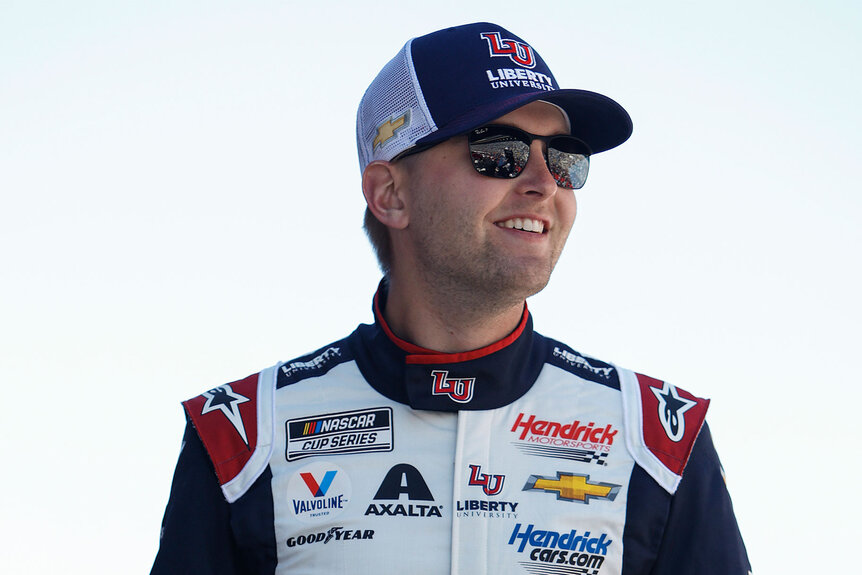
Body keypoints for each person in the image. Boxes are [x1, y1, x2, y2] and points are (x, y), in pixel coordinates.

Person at [151, 22, 751, 574]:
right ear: (390, 195)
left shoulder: (660, 439)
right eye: (499, 152)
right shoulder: (239, 437)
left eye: (565, 160)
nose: (544, 184)